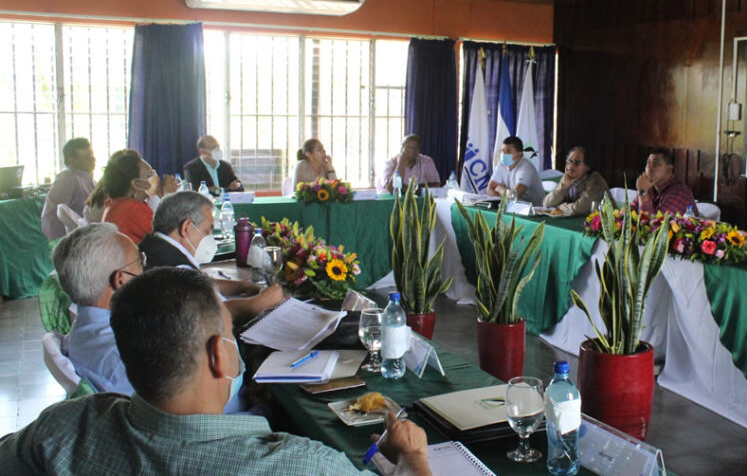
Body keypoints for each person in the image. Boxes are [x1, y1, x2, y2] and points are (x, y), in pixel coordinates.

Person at [0, 267, 432, 475]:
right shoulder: (301, 465)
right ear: (218, 357)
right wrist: (411, 456)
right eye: (231, 333)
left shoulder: (63, 428)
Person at [138, 191, 284, 321]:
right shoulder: (176, 268)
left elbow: (199, 284)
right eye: (208, 229)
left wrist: (243, 286)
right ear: (187, 228)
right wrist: (261, 302)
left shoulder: (152, 247)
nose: (209, 236)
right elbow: (212, 314)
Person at [50, 223, 142, 394]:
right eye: (140, 261)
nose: (143, 270)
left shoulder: (84, 329)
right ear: (120, 280)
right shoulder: (125, 359)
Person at [40, 137, 96, 240]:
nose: (93, 159)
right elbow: (52, 215)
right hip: (73, 242)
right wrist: (62, 244)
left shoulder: (89, 178)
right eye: (87, 157)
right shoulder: (67, 178)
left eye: (92, 155)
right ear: (71, 160)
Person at [542, 146, 609, 216]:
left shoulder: (596, 183)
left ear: (588, 166)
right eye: (569, 161)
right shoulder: (567, 178)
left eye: (576, 163)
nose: (570, 166)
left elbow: (578, 209)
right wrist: (563, 187)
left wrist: (559, 207)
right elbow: (547, 203)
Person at [631, 148, 695, 216]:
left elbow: (654, 223)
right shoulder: (649, 186)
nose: (649, 168)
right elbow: (628, 212)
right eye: (648, 163)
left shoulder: (679, 192)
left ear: (669, 169)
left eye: (656, 163)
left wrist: (642, 191)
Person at [487, 136, 545, 205]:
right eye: (503, 151)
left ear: (519, 155)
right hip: (511, 207)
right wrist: (505, 200)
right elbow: (489, 189)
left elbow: (514, 196)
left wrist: (499, 189)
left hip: (534, 210)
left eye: (508, 151)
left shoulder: (526, 168)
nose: (504, 154)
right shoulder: (501, 164)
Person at [377, 134, 441, 194]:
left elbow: (436, 185)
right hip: (391, 203)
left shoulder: (427, 161)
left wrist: (408, 188)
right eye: (409, 147)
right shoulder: (390, 163)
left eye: (415, 148)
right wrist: (401, 164)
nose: (413, 151)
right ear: (401, 149)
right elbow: (392, 189)